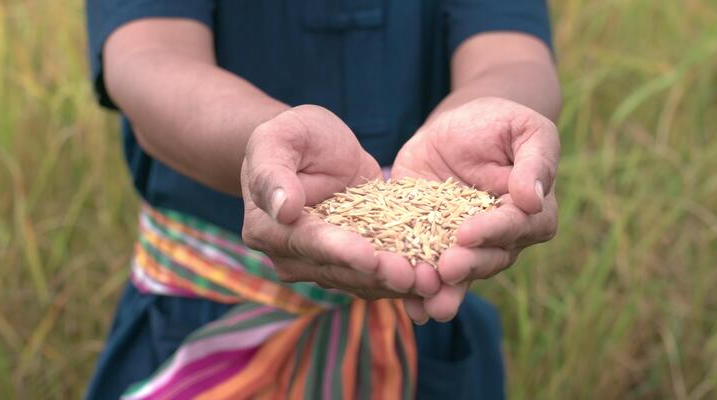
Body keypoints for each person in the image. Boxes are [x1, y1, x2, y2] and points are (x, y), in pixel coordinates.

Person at [85, 1, 561, 399]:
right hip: (201, 320)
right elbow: (148, 52)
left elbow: (513, 54)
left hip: (428, 324)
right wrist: (265, 140)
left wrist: (497, 122)